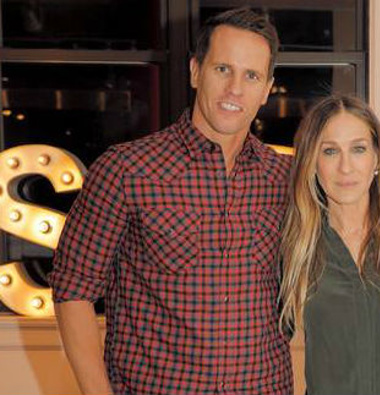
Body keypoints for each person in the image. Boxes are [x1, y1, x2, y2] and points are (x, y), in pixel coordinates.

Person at [48, 8, 293, 395]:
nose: (235, 89)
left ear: (267, 89)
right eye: (222, 69)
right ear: (196, 71)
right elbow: (73, 289)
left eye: (251, 76)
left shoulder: (284, 179)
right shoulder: (126, 170)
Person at [279, 95, 380, 395]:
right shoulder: (295, 246)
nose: (346, 167)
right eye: (329, 151)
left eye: (358, 149)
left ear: (377, 158)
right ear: (312, 163)